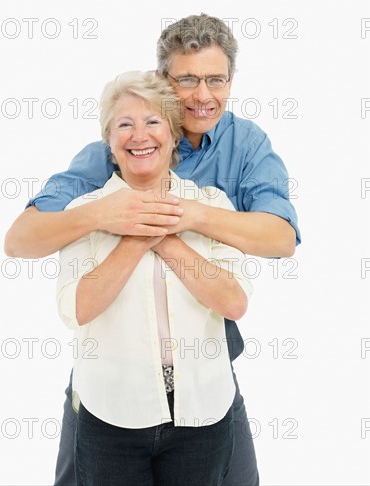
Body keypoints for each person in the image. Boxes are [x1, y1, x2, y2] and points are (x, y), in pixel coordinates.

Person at [5, 13, 300, 486]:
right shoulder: (119, 145)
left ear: (231, 82)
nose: (203, 95)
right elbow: (21, 239)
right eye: (187, 79)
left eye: (215, 79)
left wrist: (183, 215)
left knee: (237, 475)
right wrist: (109, 215)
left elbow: (281, 239)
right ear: (163, 80)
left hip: (205, 356)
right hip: (117, 360)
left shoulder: (245, 145)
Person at [57, 70, 253, 485]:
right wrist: (133, 237)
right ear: (109, 141)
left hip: (203, 412)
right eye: (124, 124)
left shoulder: (211, 205)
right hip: (111, 413)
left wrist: (165, 235)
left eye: (152, 122)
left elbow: (234, 301)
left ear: (172, 134)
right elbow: (76, 310)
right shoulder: (85, 213)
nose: (139, 135)